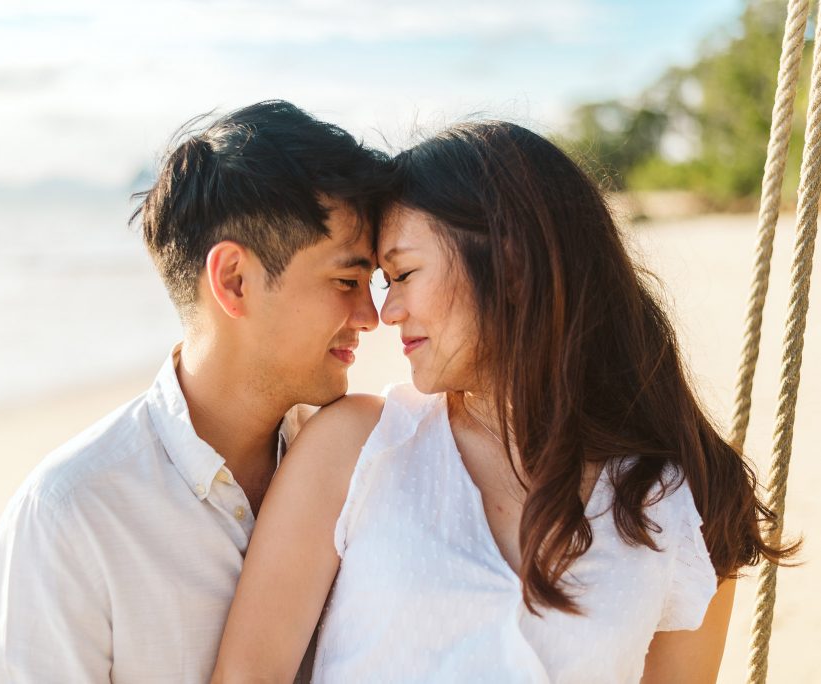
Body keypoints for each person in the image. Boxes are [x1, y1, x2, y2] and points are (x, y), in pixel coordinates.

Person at [211, 121, 796, 683]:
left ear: (513, 266)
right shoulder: (357, 447)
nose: (387, 313)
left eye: (404, 273)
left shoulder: (684, 497)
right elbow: (248, 675)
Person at [0, 100, 387, 683]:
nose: (370, 316)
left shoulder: (362, 470)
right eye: (347, 281)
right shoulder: (73, 516)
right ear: (234, 281)